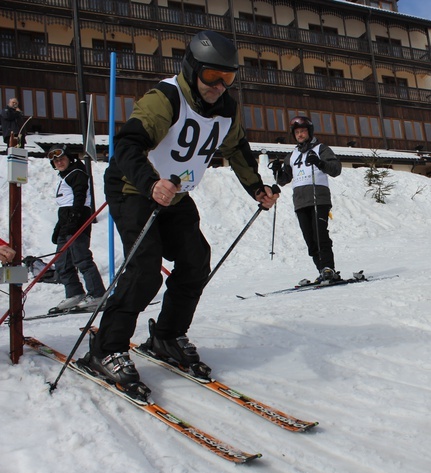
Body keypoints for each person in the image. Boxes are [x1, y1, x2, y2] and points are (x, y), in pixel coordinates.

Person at [83, 31, 278, 388]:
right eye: (211, 76)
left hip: (176, 193)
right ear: (191, 69)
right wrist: (150, 183)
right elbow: (127, 145)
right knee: (145, 271)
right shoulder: (166, 98)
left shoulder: (226, 110)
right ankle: (105, 347)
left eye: (228, 78)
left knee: (194, 259)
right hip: (133, 187)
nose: (219, 86)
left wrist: (256, 187)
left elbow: (236, 149)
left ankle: (167, 336)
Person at [275, 116, 342, 283]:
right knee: (310, 239)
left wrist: (319, 163)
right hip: (300, 201)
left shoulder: (321, 149)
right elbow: (283, 180)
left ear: (309, 132)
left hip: (318, 198)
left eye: (303, 131)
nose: (300, 135)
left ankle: (328, 268)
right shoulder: (292, 155)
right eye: (297, 132)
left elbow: (335, 169)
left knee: (320, 235)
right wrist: (277, 171)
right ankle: (322, 270)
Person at [48, 145, 106, 312]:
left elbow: (80, 196)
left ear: (69, 158)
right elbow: (64, 204)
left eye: (62, 159)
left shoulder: (77, 173)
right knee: (62, 261)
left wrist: (75, 218)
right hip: (66, 220)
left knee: (81, 258)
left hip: (78, 218)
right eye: (55, 161)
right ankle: (75, 293)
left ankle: (97, 294)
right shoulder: (64, 176)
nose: (59, 162)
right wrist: (60, 227)